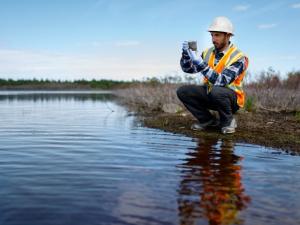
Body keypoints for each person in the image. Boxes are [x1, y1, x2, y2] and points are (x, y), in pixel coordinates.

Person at [177, 16, 249, 134]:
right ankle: (207, 120)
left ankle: (228, 121)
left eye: (217, 35)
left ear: (228, 36)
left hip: (231, 100)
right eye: (212, 35)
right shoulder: (208, 52)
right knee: (183, 91)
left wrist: (201, 64)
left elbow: (222, 81)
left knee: (217, 90)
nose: (213, 39)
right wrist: (186, 55)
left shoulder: (239, 57)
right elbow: (188, 69)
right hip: (211, 94)